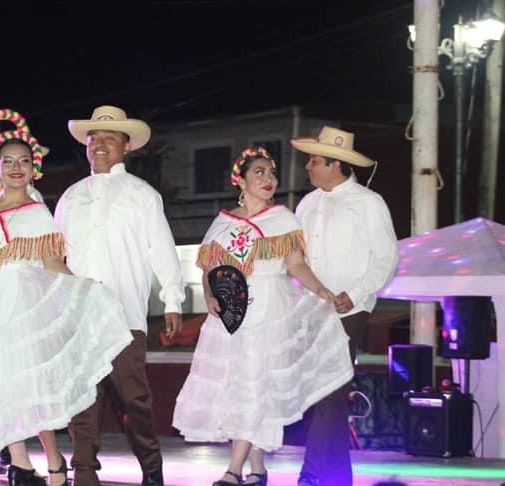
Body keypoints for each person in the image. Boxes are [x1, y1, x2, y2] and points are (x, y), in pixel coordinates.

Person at [0, 109, 133, 486]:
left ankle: (23, 468)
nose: (16, 167)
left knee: (8, 390)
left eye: (24, 161)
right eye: (8, 162)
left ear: (34, 167)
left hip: (16, 313)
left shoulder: (38, 213)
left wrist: (87, 289)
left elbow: (53, 262)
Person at [172, 147, 354, 486]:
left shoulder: (283, 220)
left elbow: (297, 265)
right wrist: (211, 295)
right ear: (240, 180)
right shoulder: (223, 223)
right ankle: (257, 470)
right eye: (259, 173)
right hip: (232, 314)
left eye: (271, 174)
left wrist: (322, 291)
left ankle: (233, 470)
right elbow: (211, 268)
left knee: (256, 384)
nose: (268, 179)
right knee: (239, 387)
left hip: (270, 309)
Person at [55, 105, 185, 486]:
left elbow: (162, 249)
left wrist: (173, 300)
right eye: (93, 138)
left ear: (126, 146)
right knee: (83, 399)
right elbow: (54, 254)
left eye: (110, 138)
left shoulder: (142, 195)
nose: (100, 144)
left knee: (134, 400)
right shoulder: (71, 196)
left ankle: (151, 467)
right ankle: (84, 474)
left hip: (124, 314)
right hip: (79, 314)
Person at [291, 126, 399, 486]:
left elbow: (386, 259)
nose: (308, 166)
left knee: (331, 391)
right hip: (310, 310)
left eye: (315, 160)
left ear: (335, 164)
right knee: (323, 396)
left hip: (349, 311)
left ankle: (312, 475)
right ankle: (337, 476)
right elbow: (296, 260)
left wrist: (354, 293)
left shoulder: (369, 203)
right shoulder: (307, 204)